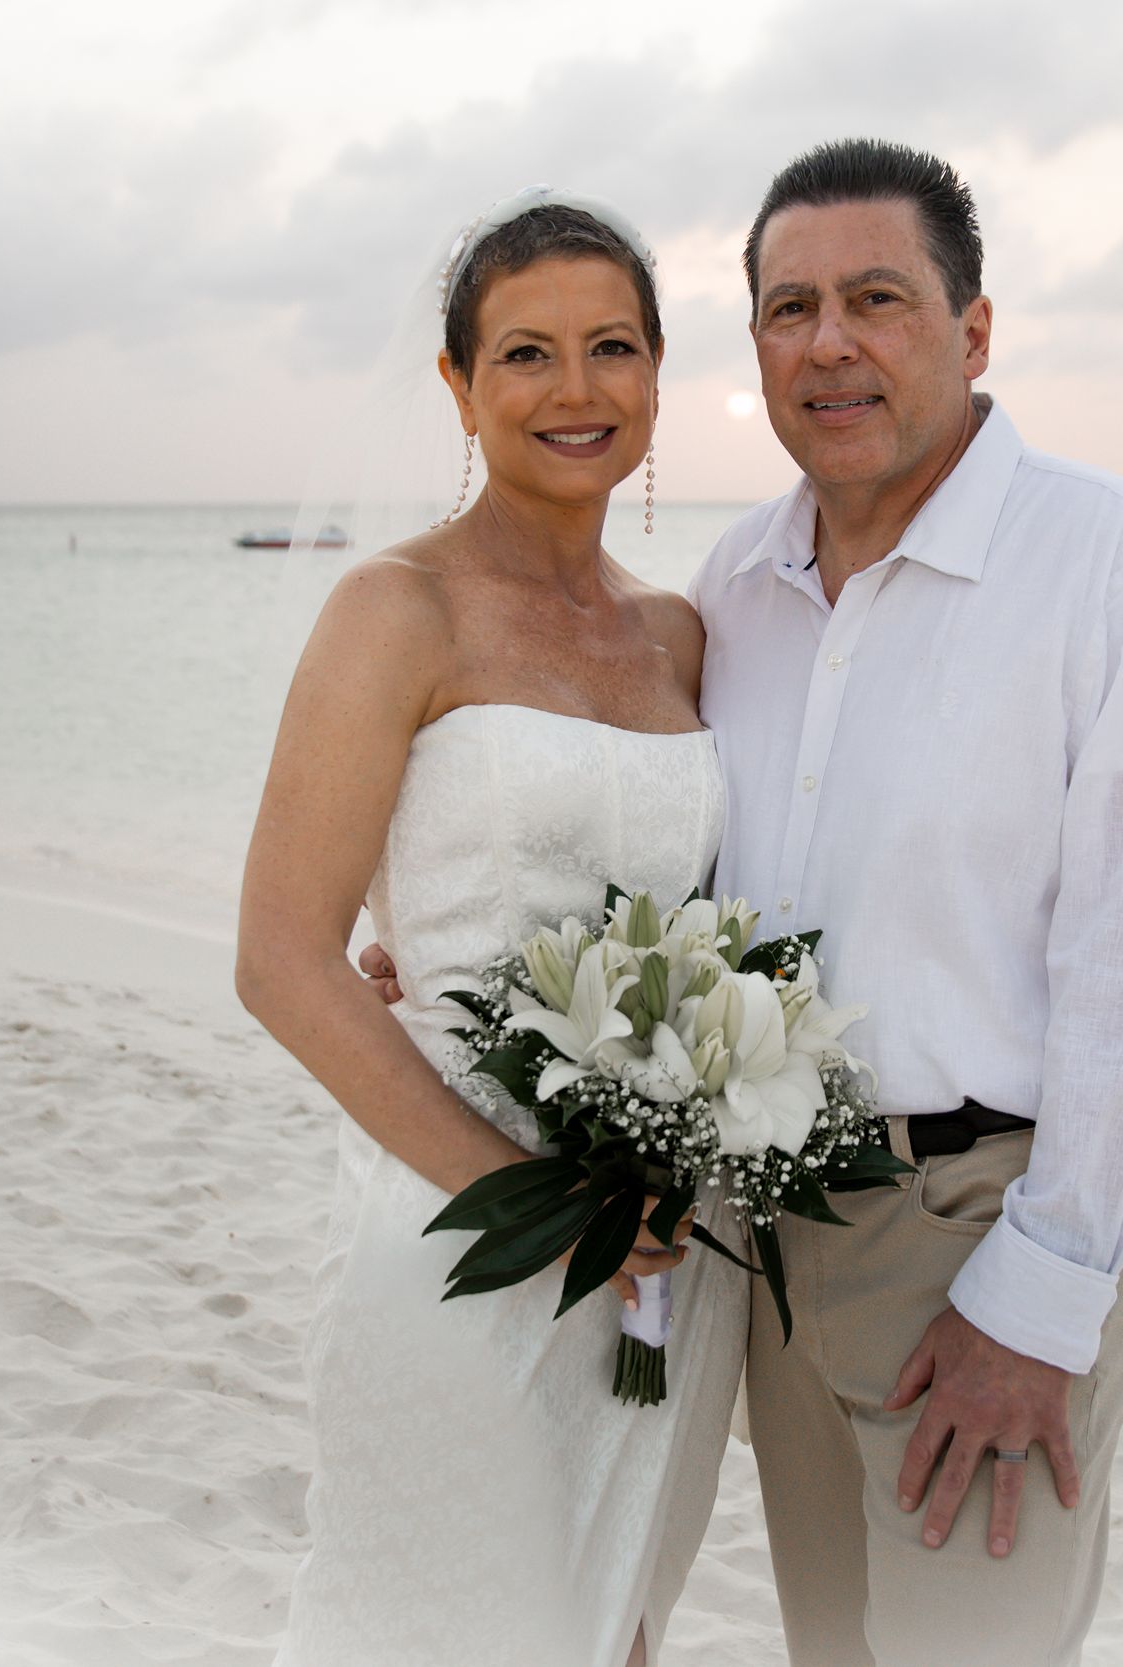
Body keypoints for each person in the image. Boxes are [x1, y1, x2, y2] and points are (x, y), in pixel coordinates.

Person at [356, 140, 1123, 1665]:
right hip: (755, 1244)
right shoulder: (736, 585)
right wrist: (458, 952)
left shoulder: (1100, 561)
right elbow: (683, 887)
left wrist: (1043, 1298)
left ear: (973, 333)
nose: (830, 342)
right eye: (790, 307)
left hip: (984, 1229)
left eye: (878, 300)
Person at [236, 190, 746, 1667]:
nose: (575, 391)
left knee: (614, 1626)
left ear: (658, 374)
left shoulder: (678, 635)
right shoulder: (395, 611)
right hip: (463, 1227)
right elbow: (280, 959)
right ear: (458, 386)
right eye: (526, 354)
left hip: (662, 1247)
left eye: (613, 348)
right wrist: (540, 1201)